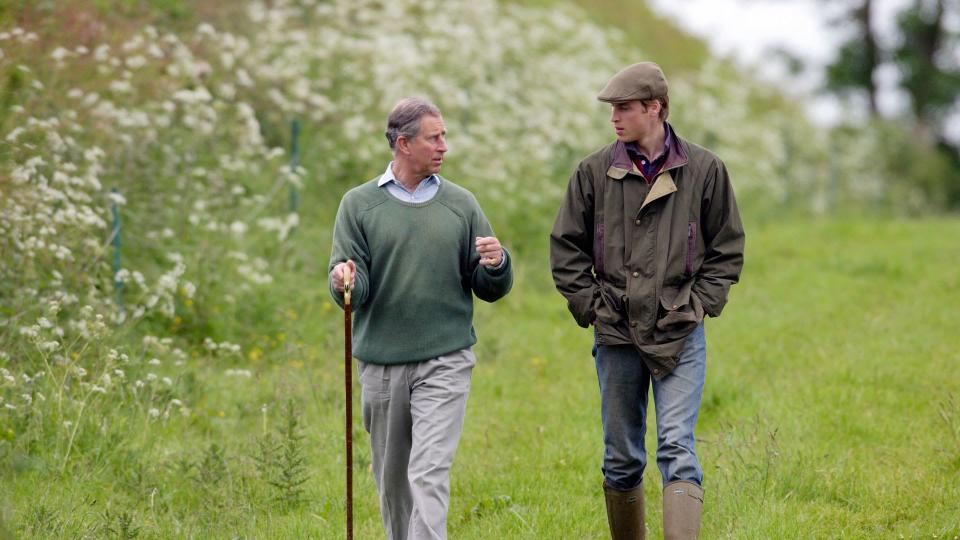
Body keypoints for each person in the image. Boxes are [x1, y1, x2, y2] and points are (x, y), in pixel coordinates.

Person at [550, 62, 745, 539]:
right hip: (616, 331)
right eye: (612, 108)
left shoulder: (705, 170)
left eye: (623, 107)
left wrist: (698, 304)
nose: (614, 117)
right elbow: (566, 250)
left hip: (681, 330)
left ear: (654, 108)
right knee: (621, 457)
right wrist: (594, 308)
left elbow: (727, 249)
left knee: (678, 447)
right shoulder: (593, 172)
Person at [329, 97, 513, 540]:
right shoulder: (359, 205)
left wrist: (496, 263)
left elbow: (489, 287)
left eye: (444, 135)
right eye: (435, 137)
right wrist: (343, 280)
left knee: (428, 472)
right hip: (381, 364)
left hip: (445, 360)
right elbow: (356, 288)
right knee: (394, 485)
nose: (444, 146)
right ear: (403, 143)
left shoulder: (461, 204)